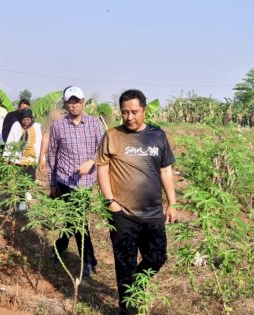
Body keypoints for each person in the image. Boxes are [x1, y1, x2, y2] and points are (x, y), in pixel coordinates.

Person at [96, 89, 177, 315]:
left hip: (152, 212)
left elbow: (165, 169)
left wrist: (172, 202)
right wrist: (110, 200)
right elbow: (102, 167)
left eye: (134, 112)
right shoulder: (112, 135)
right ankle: (127, 310)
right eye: (124, 112)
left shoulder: (157, 135)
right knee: (124, 263)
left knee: (157, 257)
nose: (129, 117)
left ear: (144, 110)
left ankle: (135, 286)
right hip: (123, 213)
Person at [47, 86, 104, 276]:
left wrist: (92, 161)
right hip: (66, 181)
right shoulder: (58, 126)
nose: (74, 105)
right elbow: (52, 155)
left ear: (83, 102)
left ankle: (58, 247)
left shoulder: (95, 124)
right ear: (65, 104)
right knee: (78, 220)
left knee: (73, 220)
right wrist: (52, 182)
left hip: (87, 182)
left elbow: (105, 148)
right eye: (71, 102)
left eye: (78, 101)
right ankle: (89, 261)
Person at [3, 108, 42, 211]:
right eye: (25, 119)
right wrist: (7, 156)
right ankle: (22, 201)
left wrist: (42, 158)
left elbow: (40, 142)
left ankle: (26, 192)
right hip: (19, 159)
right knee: (20, 181)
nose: (27, 121)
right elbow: (10, 140)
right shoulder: (16, 125)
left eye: (28, 119)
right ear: (21, 118)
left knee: (31, 178)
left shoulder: (36, 127)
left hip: (31, 158)